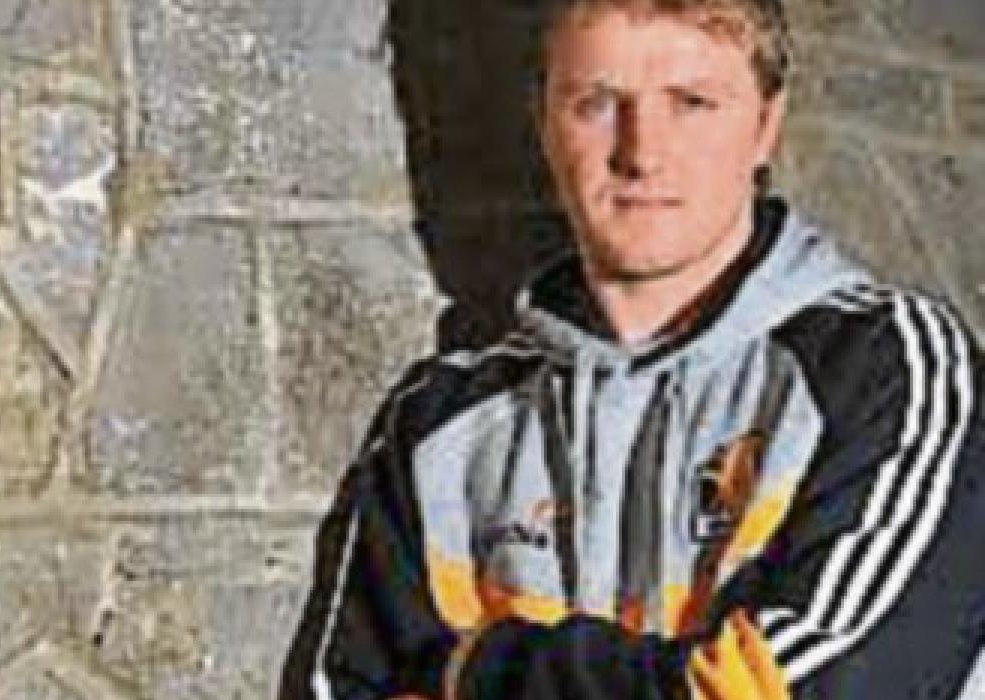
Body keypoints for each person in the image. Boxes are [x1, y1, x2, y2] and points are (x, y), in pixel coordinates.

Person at [279, 0, 985, 697]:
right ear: (545, 125)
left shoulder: (890, 365)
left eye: (691, 103)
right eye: (595, 104)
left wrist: (476, 667)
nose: (641, 154)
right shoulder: (434, 425)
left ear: (766, 125)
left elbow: (820, 688)